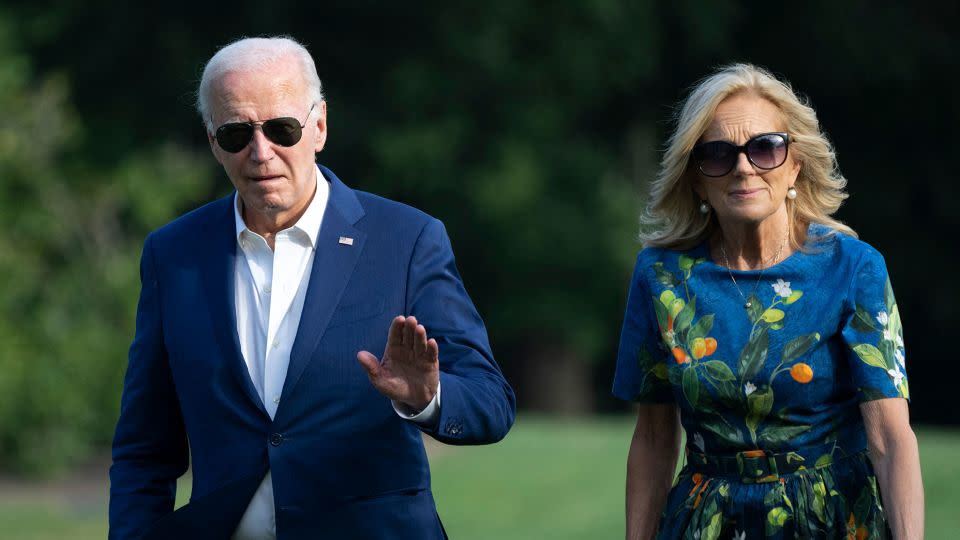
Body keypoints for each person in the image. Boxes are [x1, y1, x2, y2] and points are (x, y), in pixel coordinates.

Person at [108, 36, 515, 540]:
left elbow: (491, 402)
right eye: (236, 134)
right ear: (213, 142)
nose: (261, 153)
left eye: (281, 129)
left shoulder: (407, 240)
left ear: (318, 126)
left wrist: (426, 398)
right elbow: (144, 449)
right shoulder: (173, 255)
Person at [612, 64, 923, 539]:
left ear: (795, 162)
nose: (743, 167)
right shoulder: (661, 276)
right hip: (705, 524)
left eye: (765, 148)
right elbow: (654, 439)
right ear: (696, 179)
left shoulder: (854, 267)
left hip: (831, 521)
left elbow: (890, 439)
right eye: (717, 154)